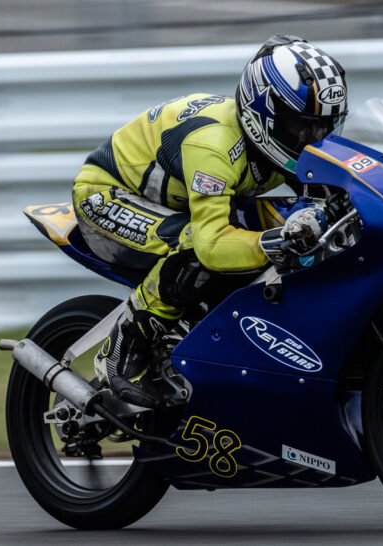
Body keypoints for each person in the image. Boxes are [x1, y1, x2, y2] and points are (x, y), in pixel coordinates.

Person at [71, 35, 348, 396]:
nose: (314, 137)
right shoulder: (214, 146)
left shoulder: (285, 145)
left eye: (326, 125)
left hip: (177, 202)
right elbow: (211, 245)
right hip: (107, 196)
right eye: (301, 125)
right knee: (197, 248)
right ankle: (123, 351)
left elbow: (335, 196)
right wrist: (277, 242)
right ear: (264, 112)